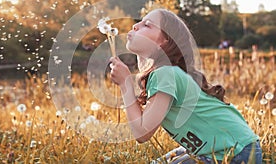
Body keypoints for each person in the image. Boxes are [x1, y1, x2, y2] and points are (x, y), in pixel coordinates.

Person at [109, 8, 262, 163]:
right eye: (139, 22)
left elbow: (142, 132)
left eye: (147, 25)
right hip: (241, 147)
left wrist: (126, 84)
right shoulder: (167, 73)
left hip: (235, 153)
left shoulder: (165, 73)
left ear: (164, 41)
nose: (135, 26)